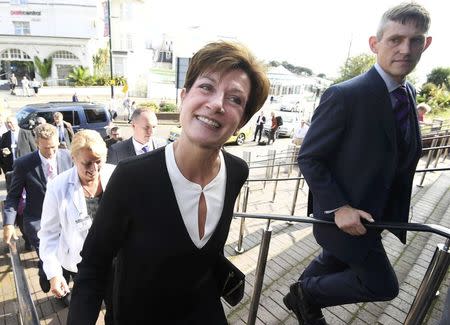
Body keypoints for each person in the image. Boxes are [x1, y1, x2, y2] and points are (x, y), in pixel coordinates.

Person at [67, 40, 270, 324]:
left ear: (242, 121)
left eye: (235, 99)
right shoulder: (131, 177)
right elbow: (93, 268)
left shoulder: (237, 172)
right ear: (183, 97)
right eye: (207, 87)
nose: (216, 104)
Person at [283, 3, 432, 325]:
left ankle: (296, 295)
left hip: (374, 219)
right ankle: (305, 295)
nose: (405, 49)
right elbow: (309, 156)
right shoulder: (345, 95)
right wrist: (339, 207)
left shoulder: (408, 92)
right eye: (395, 39)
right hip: (344, 222)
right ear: (375, 44)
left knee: (330, 265)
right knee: (382, 285)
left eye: (415, 40)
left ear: (426, 44)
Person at [38, 130, 115, 309]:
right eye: (87, 163)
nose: (94, 169)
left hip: (116, 264)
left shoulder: (117, 175)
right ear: (73, 158)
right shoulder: (58, 186)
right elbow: (49, 234)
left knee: (115, 313)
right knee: (81, 314)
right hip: (82, 266)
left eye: (98, 162)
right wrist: (54, 274)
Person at [2, 124, 72, 293]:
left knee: (67, 254)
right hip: (39, 222)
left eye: (54, 147)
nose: (51, 152)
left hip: (67, 219)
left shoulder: (69, 157)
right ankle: (56, 283)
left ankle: (56, 275)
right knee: (49, 254)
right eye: (46, 147)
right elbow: (13, 196)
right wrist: (8, 224)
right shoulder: (23, 164)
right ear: (36, 142)